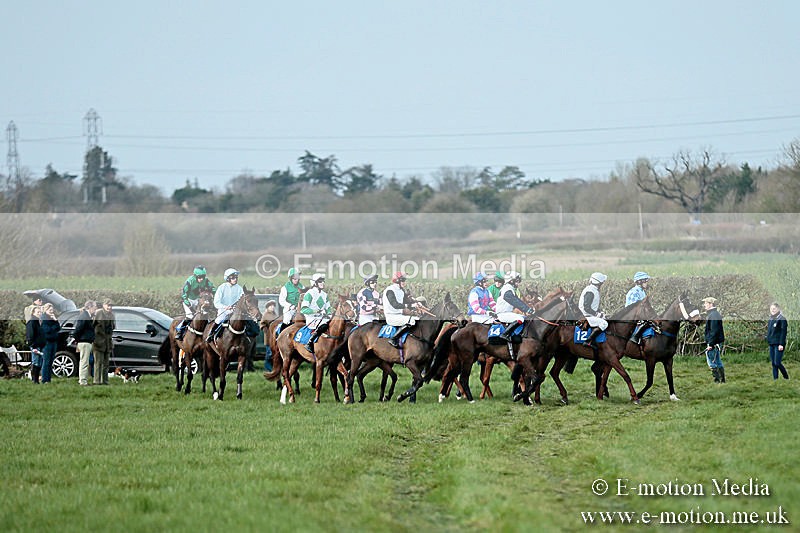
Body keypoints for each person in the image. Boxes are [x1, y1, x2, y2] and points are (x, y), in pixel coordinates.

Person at [382, 271, 422, 348]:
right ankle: (393, 338)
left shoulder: (401, 290)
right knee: (413, 320)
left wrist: (417, 303)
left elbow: (406, 301)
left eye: (404, 280)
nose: (404, 282)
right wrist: (411, 305)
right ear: (397, 281)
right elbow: (395, 305)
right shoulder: (390, 290)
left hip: (400, 315)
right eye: (403, 280)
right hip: (392, 316)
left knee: (418, 319)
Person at [177, 265, 216, 340]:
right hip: (189, 300)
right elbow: (184, 295)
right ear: (195, 276)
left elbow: (213, 288)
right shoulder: (190, 281)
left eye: (203, 277)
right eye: (199, 277)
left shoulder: (206, 280)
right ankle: (180, 331)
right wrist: (189, 305)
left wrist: (212, 292)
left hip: (199, 300)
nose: (201, 279)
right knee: (190, 316)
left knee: (205, 316)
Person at [494, 271, 534, 341]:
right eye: (517, 281)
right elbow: (514, 301)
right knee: (520, 319)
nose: (518, 283)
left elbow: (518, 302)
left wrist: (527, 310)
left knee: (525, 318)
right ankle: (505, 334)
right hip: (503, 314)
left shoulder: (510, 289)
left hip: (507, 313)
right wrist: (526, 309)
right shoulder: (507, 289)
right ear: (511, 281)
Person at [207, 268, 244, 342]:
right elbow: (216, 303)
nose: (235, 279)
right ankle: (211, 335)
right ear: (228, 279)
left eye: (236, 277)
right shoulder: (222, 288)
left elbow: (243, 300)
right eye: (233, 278)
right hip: (224, 311)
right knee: (218, 320)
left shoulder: (239, 288)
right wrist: (225, 307)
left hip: (236, 312)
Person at [300, 273, 333, 353]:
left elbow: (328, 308)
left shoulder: (325, 295)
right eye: (320, 281)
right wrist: (317, 311)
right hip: (312, 318)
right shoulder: (309, 294)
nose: (323, 283)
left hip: (322, 318)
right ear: (315, 283)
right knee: (324, 325)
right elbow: (304, 309)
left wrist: (329, 314)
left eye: (323, 281)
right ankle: (309, 343)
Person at [579, 272, 608, 347]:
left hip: (588, 314)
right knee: (604, 324)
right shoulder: (590, 291)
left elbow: (593, 306)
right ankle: (588, 341)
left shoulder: (593, 289)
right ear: (599, 283)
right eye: (602, 282)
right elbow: (586, 307)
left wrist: (600, 313)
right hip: (586, 315)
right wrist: (597, 314)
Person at [74, 300, 97, 386]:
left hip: (87, 342)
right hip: (84, 342)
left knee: (85, 362)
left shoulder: (88, 316)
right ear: (90, 307)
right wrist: (77, 339)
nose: (96, 308)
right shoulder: (84, 316)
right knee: (84, 362)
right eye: (94, 306)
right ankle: (83, 381)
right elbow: (78, 328)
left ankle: (83, 380)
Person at [702, 296, 725, 383]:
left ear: (710, 304)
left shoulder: (713, 315)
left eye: (706, 303)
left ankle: (717, 381)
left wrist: (710, 344)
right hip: (716, 342)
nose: (704, 305)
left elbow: (714, 331)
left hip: (714, 343)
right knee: (718, 362)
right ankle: (722, 381)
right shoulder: (714, 314)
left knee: (712, 362)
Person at [92, 299, 115, 385]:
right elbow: (92, 326)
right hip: (98, 342)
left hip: (108, 343)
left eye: (111, 306)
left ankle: (105, 381)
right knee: (98, 363)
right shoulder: (98, 313)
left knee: (106, 364)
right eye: (108, 305)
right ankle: (97, 381)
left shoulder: (112, 315)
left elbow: (113, 328)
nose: (109, 307)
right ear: (103, 305)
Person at [625, 271, 650, 344]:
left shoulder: (642, 291)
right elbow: (633, 309)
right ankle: (635, 337)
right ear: (639, 281)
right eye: (645, 281)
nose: (647, 283)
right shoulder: (634, 292)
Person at [766, 302, 789, 380]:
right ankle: (775, 379)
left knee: (777, 362)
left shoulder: (782, 319)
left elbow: (783, 332)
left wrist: (781, 344)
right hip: (771, 343)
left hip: (778, 344)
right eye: (771, 309)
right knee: (773, 363)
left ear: (778, 309)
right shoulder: (771, 319)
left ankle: (786, 377)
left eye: (774, 309)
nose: (772, 310)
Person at [40, 303, 61, 384]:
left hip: (54, 341)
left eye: (52, 310)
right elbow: (47, 330)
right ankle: (44, 379)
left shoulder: (52, 319)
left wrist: (55, 320)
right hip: (47, 342)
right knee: (46, 361)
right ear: (46, 310)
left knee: (51, 361)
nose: (52, 312)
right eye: (50, 310)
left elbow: (58, 327)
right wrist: (54, 327)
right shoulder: (44, 318)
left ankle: (48, 379)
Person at [25, 305, 45, 384]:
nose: (39, 313)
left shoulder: (38, 322)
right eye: (38, 312)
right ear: (33, 313)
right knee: (36, 362)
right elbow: (30, 335)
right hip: (35, 346)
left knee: (39, 363)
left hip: (40, 345)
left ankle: (36, 379)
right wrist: (32, 346)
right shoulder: (32, 322)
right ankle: (34, 380)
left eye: (40, 312)